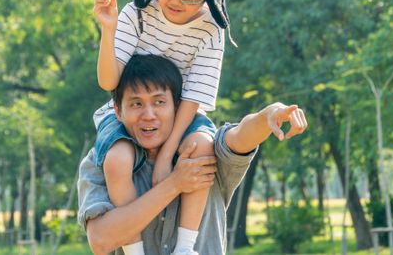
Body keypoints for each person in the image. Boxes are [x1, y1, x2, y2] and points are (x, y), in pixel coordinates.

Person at [78, 54, 308, 255]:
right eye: (136, 104)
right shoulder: (103, 160)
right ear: (118, 111)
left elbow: (240, 136)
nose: (148, 115)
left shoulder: (202, 149)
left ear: (177, 108)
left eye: (159, 102)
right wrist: (175, 184)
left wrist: (269, 114)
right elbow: (100, 241)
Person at [92, 0, 234, 255]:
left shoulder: (211, 30)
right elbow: (109, 82)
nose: (175, 0)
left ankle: (185, 248)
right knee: (117, 159)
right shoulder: (136, 13)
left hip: (180, 114)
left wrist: (166, 157)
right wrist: (109, 27)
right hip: (132, 111)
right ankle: (134, 249)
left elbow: (194, 95)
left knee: (202, 145)